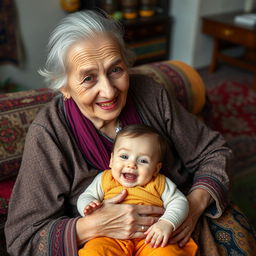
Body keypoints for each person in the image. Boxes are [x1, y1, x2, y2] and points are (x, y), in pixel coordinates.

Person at [4, 10, 255, 256]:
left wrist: (190, 209)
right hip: (102, 245)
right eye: (89, 78)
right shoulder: (49, 133)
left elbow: (215, 152)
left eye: (116, 70)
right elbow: (22, 237)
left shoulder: (149, 93)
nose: (109, 91)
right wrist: (91, 226)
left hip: (173, 225)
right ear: (65, 87)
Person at [77, 124, 198, 255]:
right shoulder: (105, 179)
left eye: (143, 161)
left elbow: (179, 202)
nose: (132, 164)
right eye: (124, 156)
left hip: (151, 238)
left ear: (155, 169)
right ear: (111, 160)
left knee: (167, 253)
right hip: (110, 236)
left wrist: (167, 223)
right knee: (95, 251)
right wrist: (89, 206)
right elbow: (86, 196)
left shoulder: (159, 182)